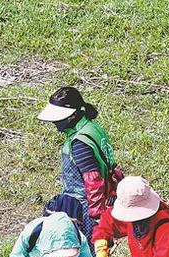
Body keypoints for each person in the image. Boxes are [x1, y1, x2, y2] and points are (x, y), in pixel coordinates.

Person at [37, 86, 122, 243]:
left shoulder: (79, 143)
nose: (55, 123)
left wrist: (97, 218)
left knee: (88, 252)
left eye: (58, 118)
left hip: (85, 208)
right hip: (101, 199)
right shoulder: (92, 127)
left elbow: (94, 181)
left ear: (72, 116)